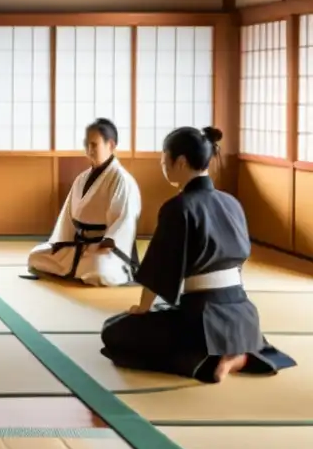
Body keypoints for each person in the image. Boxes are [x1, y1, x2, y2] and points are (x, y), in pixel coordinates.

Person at [100, 126, 297, 383]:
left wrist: (143, 308)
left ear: (180, 162)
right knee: (159, 319)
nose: (163, 167)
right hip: (244, 316)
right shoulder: (231, 203)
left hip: (203, 320)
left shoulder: (178, 207)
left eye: (164, 161)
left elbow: (161, 267)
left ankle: (210, 360)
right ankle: (242, 354)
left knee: (114, 331)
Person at [25, 118, 142, 286]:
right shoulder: (82, 178)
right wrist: (60, 244)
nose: (89, 150)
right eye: (86, 144)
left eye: (94, 145)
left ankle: (104, 268)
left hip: (105, 249)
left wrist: (105, 245)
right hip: (79, 247)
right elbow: (67, 219)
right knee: (36, 255)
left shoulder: (121, 180)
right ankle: (78, 267)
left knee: (99, 270)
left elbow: (124, 222)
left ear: (111, 145)